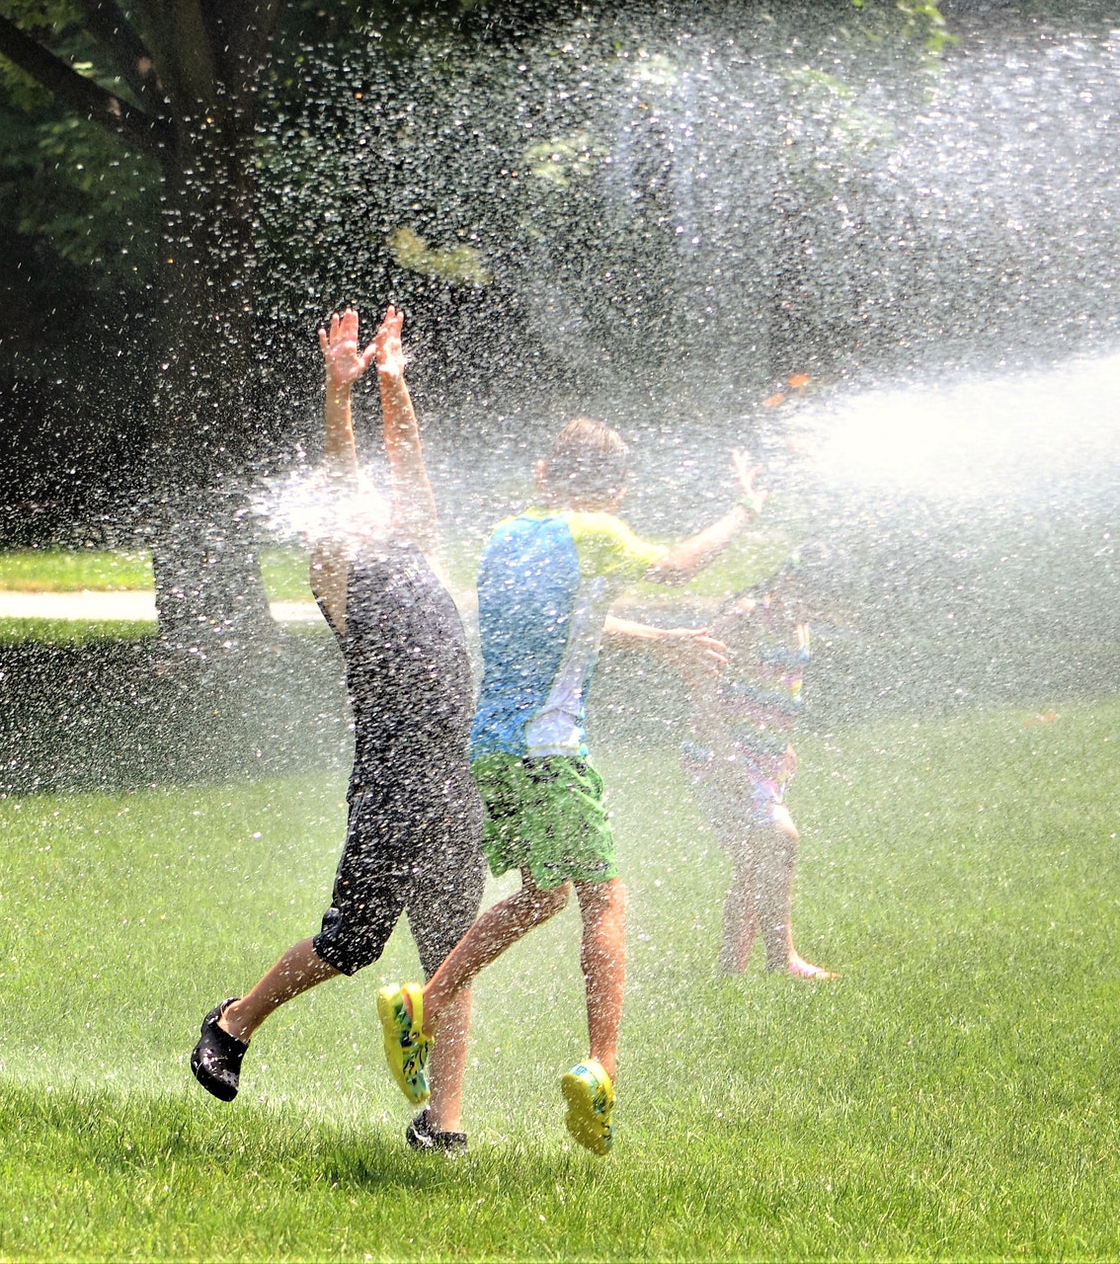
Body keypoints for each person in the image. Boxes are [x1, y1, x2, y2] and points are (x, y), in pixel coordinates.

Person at [378, 420, 764, 1155]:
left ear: (542, 471)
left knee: (543, 894)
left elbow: (568, 620)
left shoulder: (505, 537)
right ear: (615, 489)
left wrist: (663, 643)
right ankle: (601, 1067)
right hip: (552, 750)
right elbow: (680, 567)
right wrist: (745, 509)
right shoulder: (601, 532)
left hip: (491, 748)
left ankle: (423, 1003)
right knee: (604, 897)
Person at [190, 307, 487, 1153]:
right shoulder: (340, 581)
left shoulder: (421, 551)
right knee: (348, 942)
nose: (372, 508)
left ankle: (444, 1123)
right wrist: (338, 393)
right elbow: (344, 471)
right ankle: (234, 1022)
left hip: (457, 777)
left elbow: (410, 471)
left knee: (453, 950)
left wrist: (395, 386)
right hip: (393, 777)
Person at [678, 551, 836, 979]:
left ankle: (730, 971)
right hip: (721, 751)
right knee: (780, 837)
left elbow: (785, 684)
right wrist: (724, 753)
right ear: (786, 578)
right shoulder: (746, 618)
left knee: (753, 860)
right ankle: (782, 959)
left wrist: (783, 741)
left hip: (763, 756)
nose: (807, 606)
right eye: (805, 593)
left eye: (818, 601)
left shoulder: (799, 627)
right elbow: (703, 685)